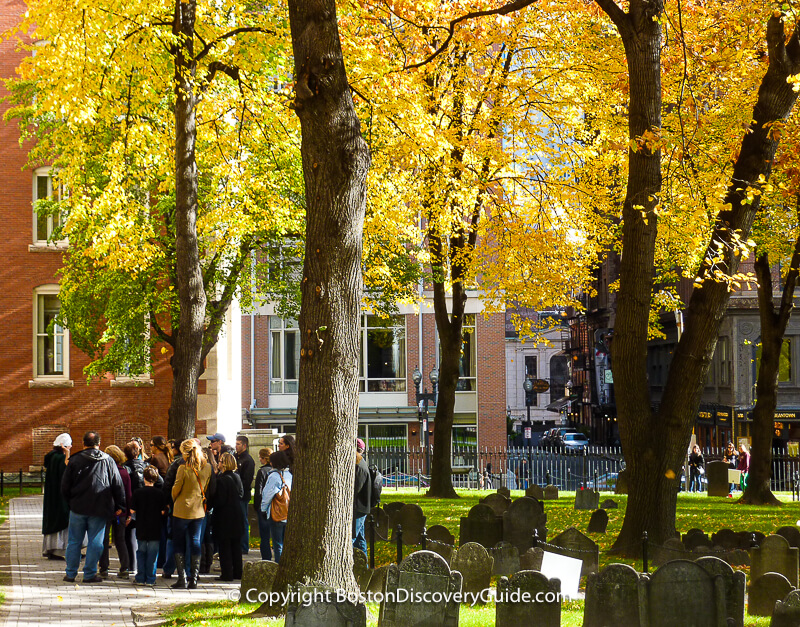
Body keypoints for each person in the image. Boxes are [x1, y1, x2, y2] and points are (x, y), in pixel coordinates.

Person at [61, 431, 126, 583]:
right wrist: (120, 504)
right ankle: (89, 573)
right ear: (99, 444)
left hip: (78, 506)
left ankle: (70, 573)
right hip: (100, 507)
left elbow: (65, 485)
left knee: (74, 541)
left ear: (83, 444)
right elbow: (117, 484)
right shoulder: (108, 460)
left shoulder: (74, 460)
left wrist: (69, 502)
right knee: (96, 541)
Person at [171, 439, 214, 589]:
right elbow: (207, 486)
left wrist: (175, 499)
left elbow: (176, 488)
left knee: (179, 543)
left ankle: (181, 578)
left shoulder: (183, 468)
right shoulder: (208, 467)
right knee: (195, 542)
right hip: (198, 510)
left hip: (182, 509)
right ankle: (193, 578)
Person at [130, 467, 168, 585]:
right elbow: (163, 511)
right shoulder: (159, 493)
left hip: (141, 525)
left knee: (141, 552)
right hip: (155, 527)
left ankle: (140, 577)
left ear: (144, 478)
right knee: (153, 554)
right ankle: (151, 578)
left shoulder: (137, 493)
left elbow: (132, 510)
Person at [99, 445, 133, 579]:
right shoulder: (124, 472)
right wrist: (129, 512)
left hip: (107, 510)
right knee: (120, 540)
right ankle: (124, 568)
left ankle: (104, 568)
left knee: (104, 540)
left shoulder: (104, 472)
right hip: (122, 512)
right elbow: (128, 494)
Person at [212, 452, 244, 581]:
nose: (218, 463)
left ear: (223, 464)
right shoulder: (236, 477)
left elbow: (219, 500)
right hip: (237, 514)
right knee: (236, 546)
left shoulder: (221, 480)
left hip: (225, 517)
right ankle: (238, 572)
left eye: (220, 461)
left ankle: (227, 573)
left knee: (225, 547)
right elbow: (241, 493)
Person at [42, 433, 71, 560]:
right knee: (62, 521)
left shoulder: (51, 458)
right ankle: (60, 550)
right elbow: (68, 473)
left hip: (52, 496)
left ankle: (50, 548)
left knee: (53, 519)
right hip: (60, 496)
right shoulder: (60, 459)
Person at [261, 450, 292, 563]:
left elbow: (268, 494)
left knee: (277, 543)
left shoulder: (274, 476)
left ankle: (279, 566)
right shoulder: (289, 475)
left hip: (277, 513)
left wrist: (263, 509)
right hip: (288, 512)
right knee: (285, 542)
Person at [234, 435, 255, 555]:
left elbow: (247, 481)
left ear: (244, 445)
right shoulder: (236, 457)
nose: (236, 446)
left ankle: (244, 546)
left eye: (238, 444)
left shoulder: (248, 460)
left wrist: (238, 490)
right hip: (235, 495)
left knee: (243, 520)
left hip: (242, 495)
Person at [253, 447, 273, 560]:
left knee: (264, 536)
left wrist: (257, 506)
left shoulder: (262, 472)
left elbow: (258, 491)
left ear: (264, 458)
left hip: (263, 506)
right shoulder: (275, 470)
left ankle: (266, 559)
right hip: (274, 506)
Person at [353, 439, 371, 557]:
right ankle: (365, 567)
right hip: (362, 507)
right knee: (360, 540)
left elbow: (356, 489)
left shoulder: (360, 466)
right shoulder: (361, 463)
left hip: (359, 508)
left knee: (352, 537)